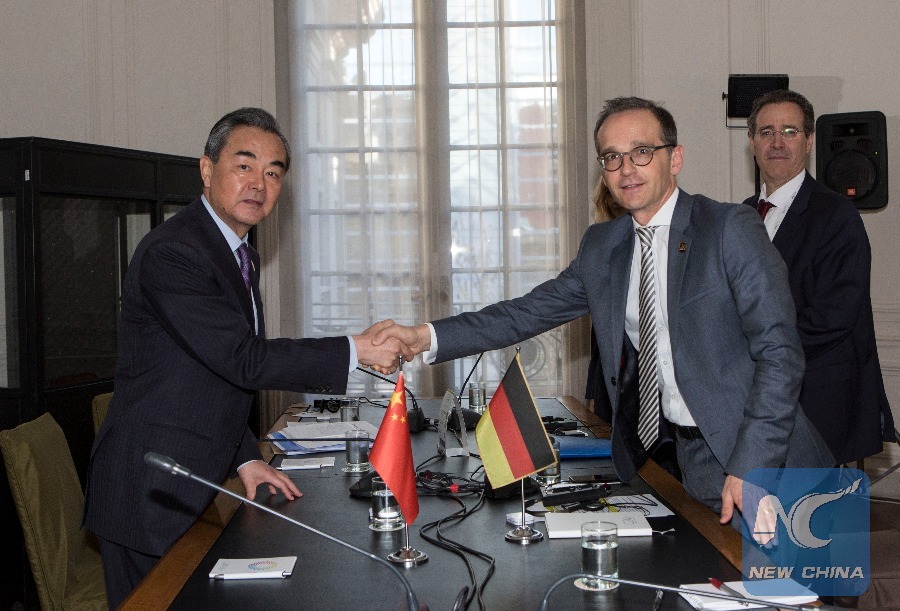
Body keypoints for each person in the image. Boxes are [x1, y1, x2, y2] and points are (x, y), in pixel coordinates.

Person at [374, 96, 833, 526]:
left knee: (803, 583)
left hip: (775, 464)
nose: (626, 169)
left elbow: (780, 355)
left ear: (675, 159)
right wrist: (424, 337)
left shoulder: (728, 228)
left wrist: (752, 465)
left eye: (641, 152)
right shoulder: (603, 247)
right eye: (612, 157)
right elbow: (523, 314)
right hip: (695, 465)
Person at [83, 107, 411, 608]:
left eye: (273, 173)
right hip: (150, 486)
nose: (259, 183)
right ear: (206, 169)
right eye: (244, 165)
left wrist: (247, 458)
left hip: (194, 478)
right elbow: (243, 359)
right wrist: (356, 348)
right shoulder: (174, 252)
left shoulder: (239, 253)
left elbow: (216, 374)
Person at [744, 89, 895, 465]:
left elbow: (834, 316)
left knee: (808, 505)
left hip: (817, 405)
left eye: (790, 131)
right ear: (752, 142)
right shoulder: (740, 217)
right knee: (754, 505)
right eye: (766, 132)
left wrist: (757, 354)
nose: (777, 142)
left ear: (809, 141)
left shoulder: (837, 215)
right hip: (751, 402)